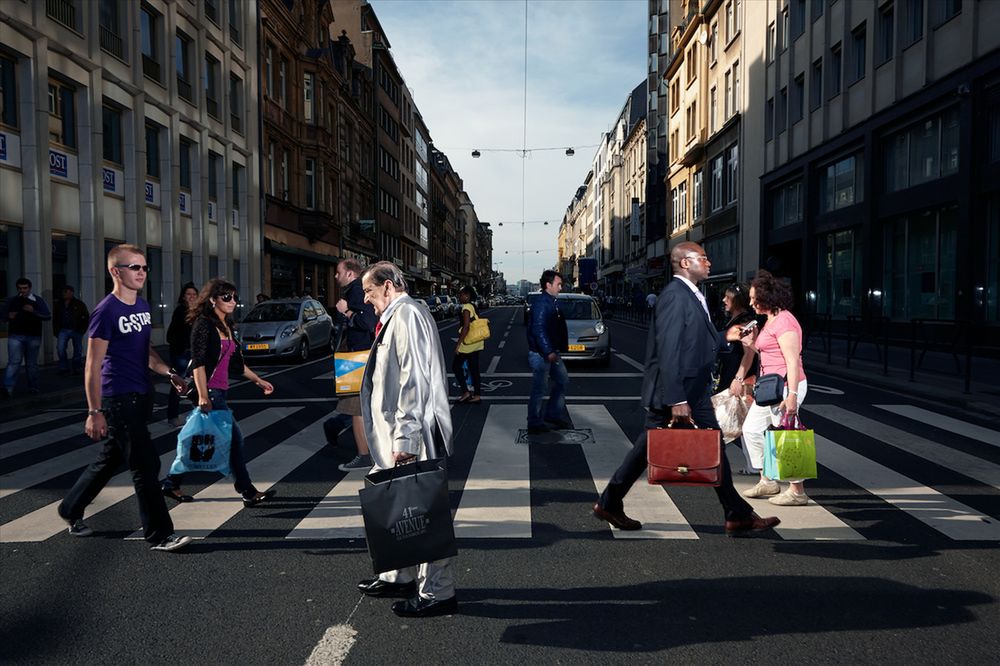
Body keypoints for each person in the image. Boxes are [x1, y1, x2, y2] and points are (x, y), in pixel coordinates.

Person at [592, 242, 780, 536]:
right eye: (702, 258)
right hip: (677, 391)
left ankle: (737, 513)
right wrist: (677, 398)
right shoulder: (675, 297)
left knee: (711, 445)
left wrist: (725, 337)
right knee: (649, 448)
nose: (708, 262)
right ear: (684, 263)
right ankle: (610, 501)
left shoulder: (692, 295)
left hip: (692, 390)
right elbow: (668, 350)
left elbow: (695, 342)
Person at [57, 244, 191, 552]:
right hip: (118, 398)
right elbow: (92, 364)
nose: (142, 272)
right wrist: (94, 411)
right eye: (135, 267)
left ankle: (70, 507)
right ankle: (160, 534)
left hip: (143, 394)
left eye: (144, 267)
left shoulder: (142, 307)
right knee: (146, 464)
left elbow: (146, 352)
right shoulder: (105, 312)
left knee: (111, 457)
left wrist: (170, 373)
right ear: (115, 271)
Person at [355, 261, 457, 618]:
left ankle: (438, 593)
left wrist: (407, 438)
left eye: (368, 291)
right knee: (401, 510)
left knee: (422, 513)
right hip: (396, 434)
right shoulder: (398, 315)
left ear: (387, 286)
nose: (365, 299)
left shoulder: (408, 314)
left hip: (411, 435)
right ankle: (398, 575)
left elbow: (414, 380)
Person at [161, 278, 276, 507]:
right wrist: (203, 395)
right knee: (234, 440)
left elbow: (235, 364)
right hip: (211, 392)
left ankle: (171, 483)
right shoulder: (203, 325)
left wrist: (258, 381)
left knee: (200, 440)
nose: (232, 301)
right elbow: (199, 364)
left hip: (220, 391)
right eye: (227, 297)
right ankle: (247, 490)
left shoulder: (228, 326)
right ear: (213, 299)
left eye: (234, 297)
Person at [738, 270, 811, 506]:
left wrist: (791, 395)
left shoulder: (785, 321)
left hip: (786, 386)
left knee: (785, 436)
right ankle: (767, 480)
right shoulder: (770, 319)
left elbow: (792, 359)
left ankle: (797, 491)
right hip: (770, 387)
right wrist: (751, 344)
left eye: (754, 299)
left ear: (768, 298)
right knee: (751, 429)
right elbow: (770, 354)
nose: (751, 303)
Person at [332, 258, 378, 471]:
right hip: (357, 355)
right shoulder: (359, 289)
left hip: (357, 357)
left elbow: (368, 322)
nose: (335, 276)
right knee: (360, 406)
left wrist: (346, 312)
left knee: (355, 408)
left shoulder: (357, 291)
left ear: (350, 274)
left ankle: (364, 455)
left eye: (338, 272)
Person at [716, 283, 758, 475]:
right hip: (729, 376)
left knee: (744, 423)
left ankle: (755, 466)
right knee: (743, 423)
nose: (724, 300)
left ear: (736, 301)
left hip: (740, 379)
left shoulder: (745, 322)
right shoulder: (734, 319)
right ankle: (752, 465)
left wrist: (739, 378)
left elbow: (749, 353)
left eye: (727, 297)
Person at [526, 270, 570, 434]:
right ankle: (534, 422)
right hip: (541, 353)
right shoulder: (542, 303)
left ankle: (552, 414)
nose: (561, 287)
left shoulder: (551, 301)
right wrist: (548, 351)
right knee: (539, 388)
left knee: (562, 380)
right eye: (558, 284)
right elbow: (538, 329)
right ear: (548, 285)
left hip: (551, 351)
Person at [1, 277, 52, 397]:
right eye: (20, 288)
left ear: (29, 288)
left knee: (31, 364)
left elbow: (47, 316)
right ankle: (8, 388)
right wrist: (8, 316)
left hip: (33, 336)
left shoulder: (37, 300)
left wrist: (33, 311)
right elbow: (2, 315)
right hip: (16, 335)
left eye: (25, 288)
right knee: (14, 362)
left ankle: (33, 387)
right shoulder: (12, 301)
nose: (22, 290)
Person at [165, 283, 198, 427]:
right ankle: (172, 416)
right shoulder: (180, 312)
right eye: (188, 294)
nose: (191, 297)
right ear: (183, 297)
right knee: (179, 384)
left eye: (194, 295)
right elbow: (173, 334)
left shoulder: (199, 312)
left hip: (196, 352)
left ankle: (199, 413)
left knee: (199, 383)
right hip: (182, 352)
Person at [453, 285, 484, 404]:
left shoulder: (466, 307)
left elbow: (466, 327)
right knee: (474, 369)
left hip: (468, 344)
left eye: (460, 294)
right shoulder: (473, 306)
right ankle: (477, 395)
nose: (459, 297)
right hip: (476, 343)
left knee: (456, 367)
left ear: (467, 295)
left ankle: (466, 392)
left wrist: (458, 344)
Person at [53, 285, 89, 376]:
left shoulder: (79, 304)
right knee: (60, 348)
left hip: (76, 329)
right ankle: (63, 367)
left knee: (77, 349)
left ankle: (76, 367)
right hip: (63, 329)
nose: (65, 294)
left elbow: (85, 316)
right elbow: (55, 317)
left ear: (71, 293)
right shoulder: (59, 304)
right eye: (64, 292)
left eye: (67, 292)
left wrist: (82, 329)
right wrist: (56, 330)